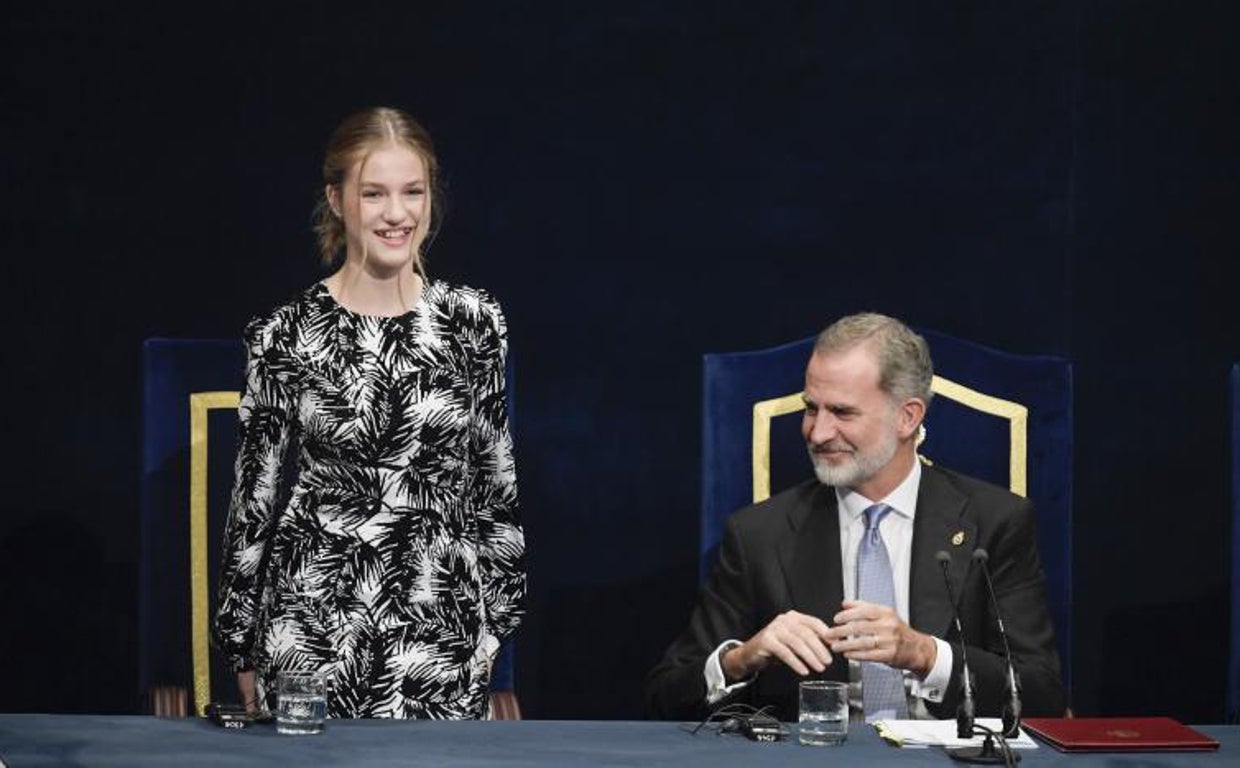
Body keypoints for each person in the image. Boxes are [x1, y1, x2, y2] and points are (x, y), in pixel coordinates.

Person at [213, 107, 526, 719]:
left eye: (413, 192)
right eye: (374, 193)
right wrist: (240, 651)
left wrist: (492, 632)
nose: (397, 214)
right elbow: (253, 503)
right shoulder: (286, 335)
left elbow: (497, 486)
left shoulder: (475, 323)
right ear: (336, 200)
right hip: (311, 637)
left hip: (440, 638)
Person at [646, 313, 1064, 722]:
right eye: (812, 408)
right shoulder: (760, 534)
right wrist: (741, 659)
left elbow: (1043, 693)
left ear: (908, 417)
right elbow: (667, 696)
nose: (818, 432)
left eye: (842, 413)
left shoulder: (995, 523)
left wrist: (926, 655)